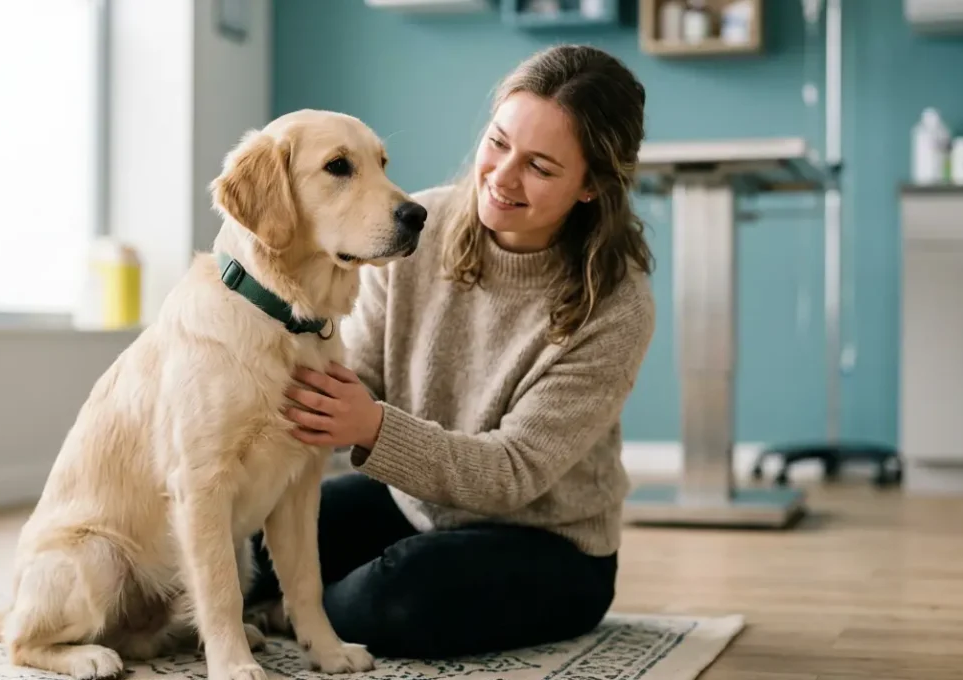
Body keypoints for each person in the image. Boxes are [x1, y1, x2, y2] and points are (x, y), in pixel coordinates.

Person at [245, 44, 657, 660]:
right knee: (256, 533)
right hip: (414, 502)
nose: (502, 177)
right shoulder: (415, 226)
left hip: (548, 541)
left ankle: (295, 610)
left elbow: (514, 472)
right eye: (499, 142)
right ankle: (282, 600)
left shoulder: (617, 305)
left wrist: (371, 427)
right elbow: (357, 379)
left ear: (592, 186)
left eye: (540, 167)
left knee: (393, 598)